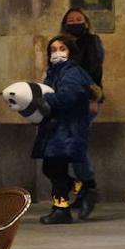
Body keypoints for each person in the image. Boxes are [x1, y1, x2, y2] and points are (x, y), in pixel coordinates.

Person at [33, 34, 96, 225]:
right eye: (53, 50)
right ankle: (81, 189)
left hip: (67, 127)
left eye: (62, 49)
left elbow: (68, 96)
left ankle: (61, 209)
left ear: (70, 51)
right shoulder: (54, 72)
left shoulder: (72, 72)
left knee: (55, 167)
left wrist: (44, 99)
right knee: (52, 167)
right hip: (57, 127)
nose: (57, 53)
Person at [59, 7, 105, 216]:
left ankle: (89, 187)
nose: (75, 22)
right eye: (71, 19)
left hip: (84, 100)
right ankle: (83, 190)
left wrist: (92, 98)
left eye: (79, 19)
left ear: (86, 22)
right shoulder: (61, 43)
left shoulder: (91, 41)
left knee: (76, 146)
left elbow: (93, 70)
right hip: (64, 100)